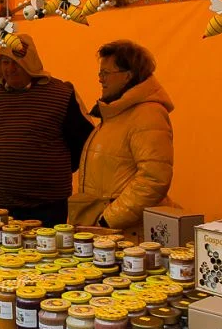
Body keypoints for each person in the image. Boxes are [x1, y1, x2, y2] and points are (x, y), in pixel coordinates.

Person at [0, 33, 93, 225]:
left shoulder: (61, 95)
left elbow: (83, 142)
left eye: (17, 62)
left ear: (31, 63)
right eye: (5, 62)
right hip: (2, 204)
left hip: (47, 205)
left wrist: (47, 170)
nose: (10, 68)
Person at [69, 41, 175, 234]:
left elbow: (154, 179)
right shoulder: (116, 113)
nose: (101, 79)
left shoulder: (148, 114)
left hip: (129, 235)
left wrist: (108, 219)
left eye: (106, 73)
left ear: (128, 76)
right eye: (100, 73)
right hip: (110, 232)